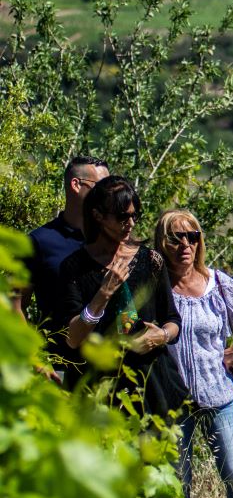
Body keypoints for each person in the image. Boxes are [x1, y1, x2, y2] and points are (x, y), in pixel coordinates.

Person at [155, 209, 233, 498]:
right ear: (163, 241)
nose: (185, 244)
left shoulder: (215, 283)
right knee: (178, 483)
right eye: (176, 237)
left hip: (218, 395)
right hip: (173, 401)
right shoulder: (156, 289)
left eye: (192, 236)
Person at [56, 176, 185, 415]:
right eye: (122, 217)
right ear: (98, 216)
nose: (131, 224)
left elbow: (172, 319)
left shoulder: (151, 261)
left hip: (151, 388)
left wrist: (163, 335)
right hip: (99, 391)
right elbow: (73, 338)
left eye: (134, 216)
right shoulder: (73, 268)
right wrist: (103, 293)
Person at [16, 155, 110, 379]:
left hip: (110, 371)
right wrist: (35, 359)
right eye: (102, 186)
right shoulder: (39, 241)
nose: (109, 194)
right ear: (76, 185)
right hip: (59, 368)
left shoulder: (112, 240)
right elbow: (15, 305)